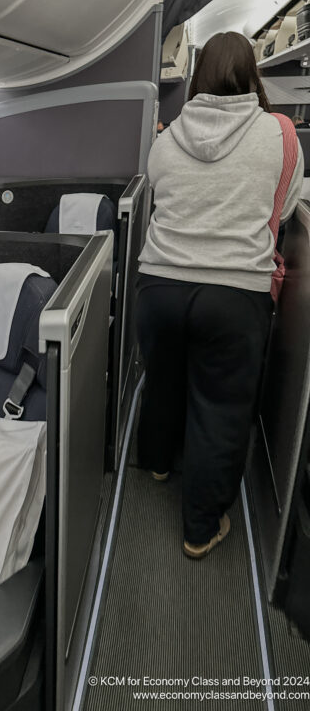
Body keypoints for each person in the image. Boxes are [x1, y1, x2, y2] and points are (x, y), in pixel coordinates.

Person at [136, 31, 304, 559]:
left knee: (163, 379)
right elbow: (287, 202)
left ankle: (158, 461)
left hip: (158, 285)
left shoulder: (165, 139)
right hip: (233, 294)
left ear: (199, 75)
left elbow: (161, 193)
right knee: (219, 410)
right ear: (251, 74)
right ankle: (199, 529)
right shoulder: (278, 133)